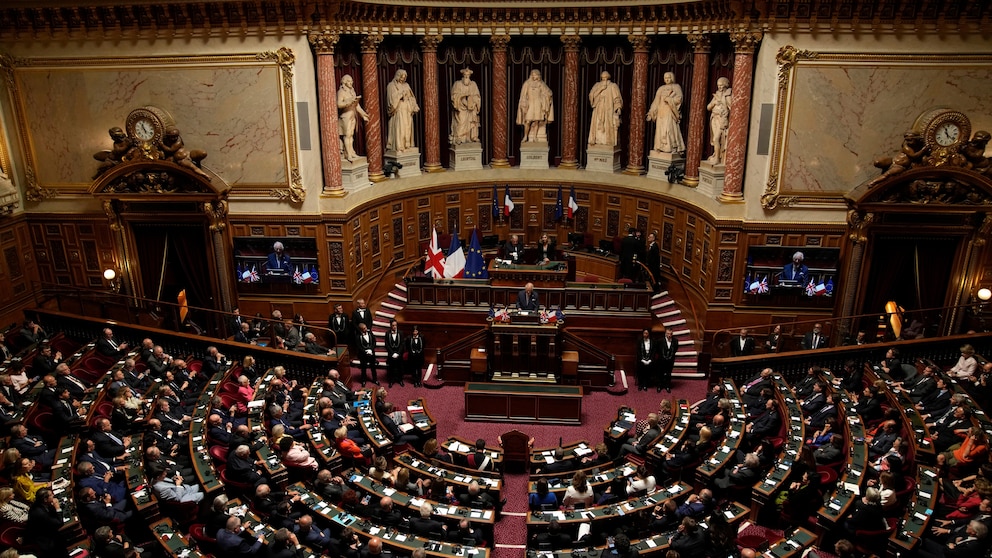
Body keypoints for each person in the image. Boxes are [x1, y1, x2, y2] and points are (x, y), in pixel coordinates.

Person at [647, 72, 685, 153]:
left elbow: (679, 99)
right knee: (660, 129)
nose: (667, 79)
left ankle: (671, 147)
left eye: (669, 77)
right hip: (661, 111)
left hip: (669, 111)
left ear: (672, 78)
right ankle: (661, 147)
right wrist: (651, 112)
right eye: (665, 78)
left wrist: (670, 100)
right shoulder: (661, 88)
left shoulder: (676, 87)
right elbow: (656, 101)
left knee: (669, 129)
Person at [337, 74, 370, 162]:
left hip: (352, 115)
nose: (351, 83)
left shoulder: (352, 91)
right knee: (347, 135)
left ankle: (351, 152)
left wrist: (363, 114)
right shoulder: (341, 92)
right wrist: (348, 102)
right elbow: (339, 104)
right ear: (344, 82)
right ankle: (347, 154)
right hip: (345, 116)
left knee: (351, 135)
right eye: (349, 81)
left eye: (351, 81)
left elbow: (357, 105)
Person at [385, 69, 419, 153]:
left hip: (407, 109)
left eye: (404, 78)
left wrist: (413, 104)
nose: (403, 79)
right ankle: (399, 146)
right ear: (398, 76)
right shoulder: (391, 86)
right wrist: (400, 94)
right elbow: (391, 100)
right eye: (401, 77)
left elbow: (412, 97)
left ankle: (407, 145)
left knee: (407, 128)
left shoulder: (406, 85)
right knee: (400, 128)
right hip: (398, 110)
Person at [517, 69, 554, 143]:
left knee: (537, 121)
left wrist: (544, 97)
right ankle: (525, 136)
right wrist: (523, 102)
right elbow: (523, 95)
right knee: (527, 121)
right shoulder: (527, 83)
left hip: (538, 104)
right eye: (533, 75)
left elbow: (549, 92)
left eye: (536, 75)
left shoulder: (541, 84)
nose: (535, 76)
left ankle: (534, 136)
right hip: (530, 104)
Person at [588, 71, 623, 146]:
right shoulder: (597, 85)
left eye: (606, 78)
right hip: (598, 108)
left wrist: (618, 108)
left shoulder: (612, 86)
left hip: (608, 109)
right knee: (598, 125)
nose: (605, 80)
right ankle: (597, 140)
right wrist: (600, 89)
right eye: (603, 78)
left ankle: (607, 141)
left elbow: (617, 98)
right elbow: (591, 95)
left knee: (607, 125)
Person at [450, 68, 481, 144]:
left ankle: (472, 137)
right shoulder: (457, 84)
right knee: (461, 121)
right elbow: (454, 96)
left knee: (472, 123)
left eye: (468, 75)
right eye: (465, 75)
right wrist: (462, 98)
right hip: (461, 107)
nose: (466, 77)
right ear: (463, 75)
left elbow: (477, 96)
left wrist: (473, 103)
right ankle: (459, 137)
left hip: (471, 108)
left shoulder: (473, 84)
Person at [706, 76, 732, 164]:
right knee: (714, 139)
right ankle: (716, 155)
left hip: (721, 120)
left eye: (721, 85)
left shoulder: (728, 95)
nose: (720, 87)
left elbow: (731, 107)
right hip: (714, 119)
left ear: (725, 85)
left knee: (716, 139)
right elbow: (708, 107)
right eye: (718, 85)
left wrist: (724, 110)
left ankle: (717, 158)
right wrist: (714, 103)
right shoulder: (716, 95)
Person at [355, 322, 378, 387]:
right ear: (361, 330)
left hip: (371, 353)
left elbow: (374, 342)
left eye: (366, 327)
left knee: (373, 367)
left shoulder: (370, 333)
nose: (366, 329)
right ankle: (363, 380)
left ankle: (375, 379)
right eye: (364, 328)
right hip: (363, 355)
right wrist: (366, 351)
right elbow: (359, 346)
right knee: (363, 368)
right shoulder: (358, 336)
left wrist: (371, 349)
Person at [384, 320, 404, 387]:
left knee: (400, 367)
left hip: (399, 354)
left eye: (395, 325)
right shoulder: (387, 333)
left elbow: (402, 344)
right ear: (390, 326)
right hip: (391, 354)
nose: (394, 327)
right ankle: (391, 380)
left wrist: (398, 353)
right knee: (391, 368)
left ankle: (400, 380)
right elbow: (386, 344)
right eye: (393, 325)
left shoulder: (401, 333)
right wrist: (392, 353)